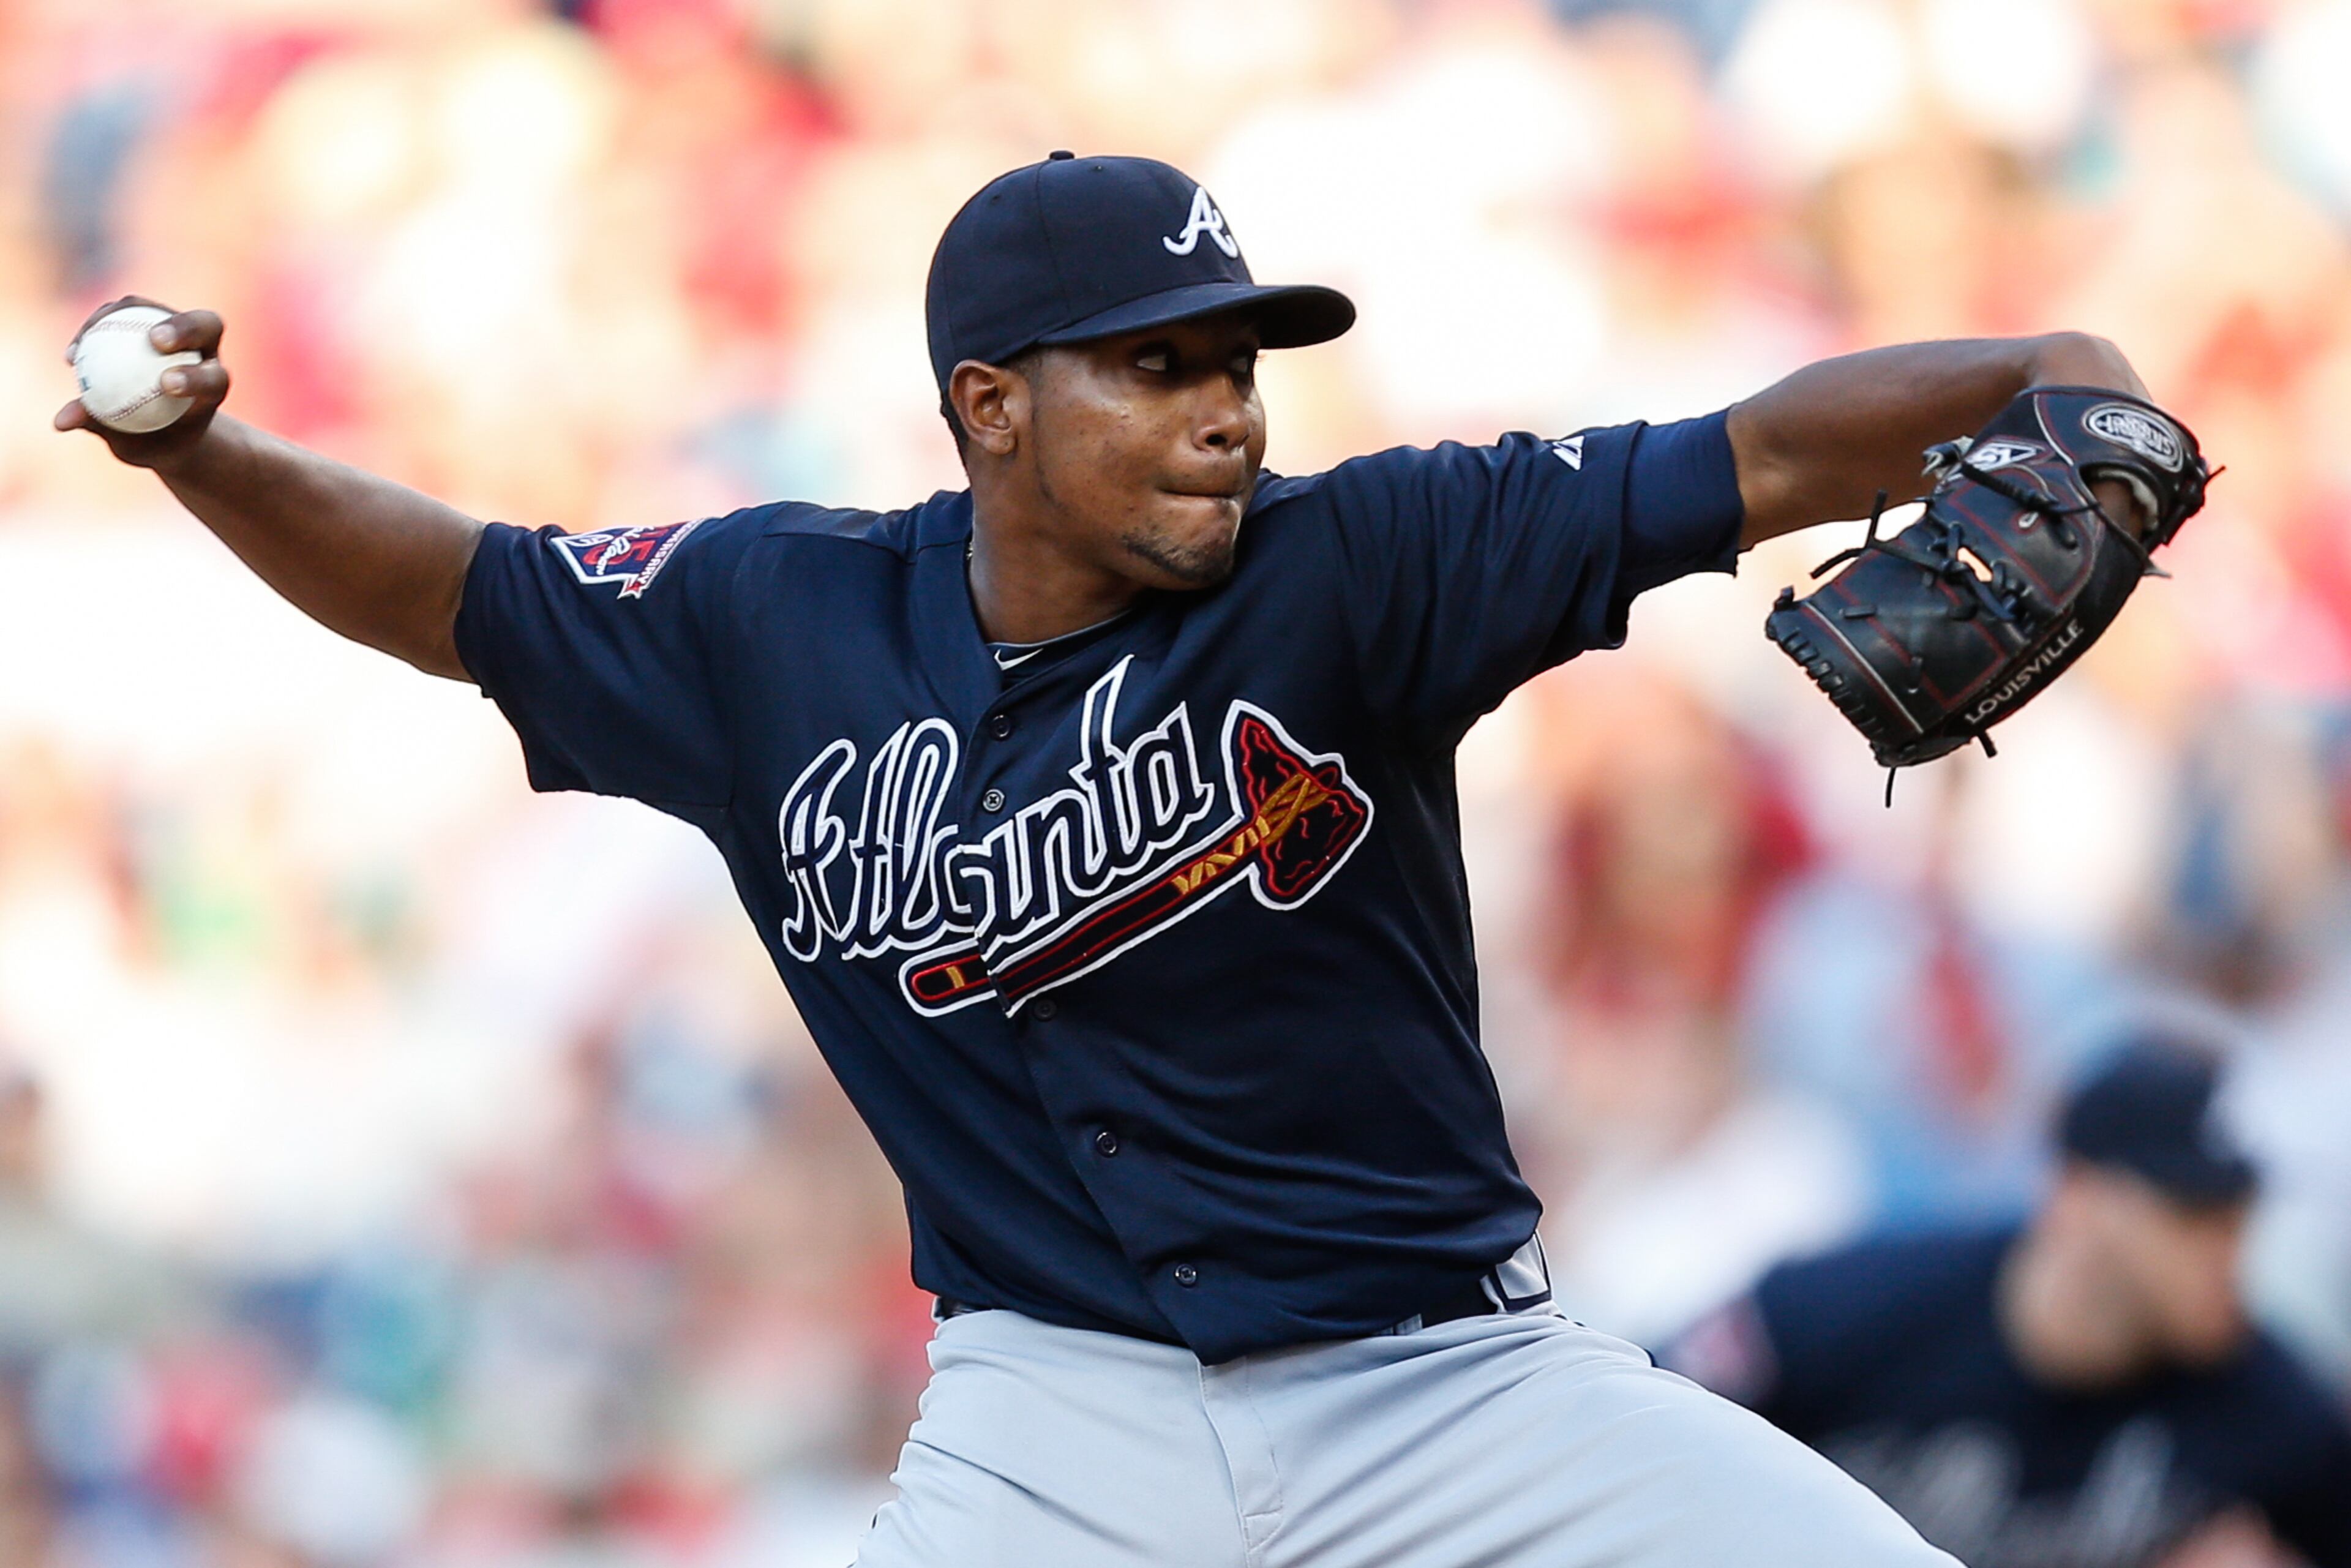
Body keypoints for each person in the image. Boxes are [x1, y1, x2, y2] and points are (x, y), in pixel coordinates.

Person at [58, 151, 2164, 1567]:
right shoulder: (766, 624)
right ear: (988, 405)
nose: (1228, 411)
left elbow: (1768, 450)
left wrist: (2069, 385)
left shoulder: (1374, 558)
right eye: (1159, 367)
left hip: (1451, 1383)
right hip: (1053, 1422)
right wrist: (196, 453)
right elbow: (452, 590)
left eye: (1238, 364)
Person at [1666, 1037, 2351, 1568]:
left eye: (2240, 1220)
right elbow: (1640, 1418)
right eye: (2194, 1216)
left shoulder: (2267, 1405)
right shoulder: (1850, 1309)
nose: (2229, 1254)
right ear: (2075, 1194)